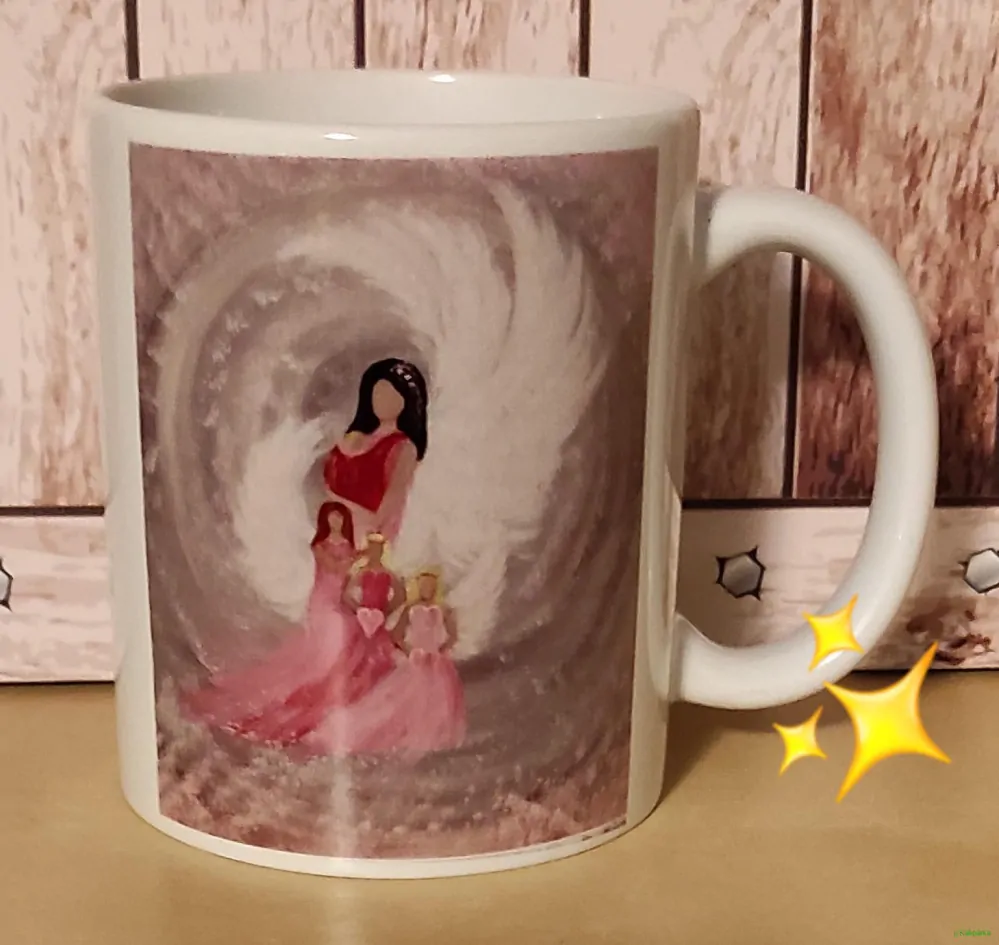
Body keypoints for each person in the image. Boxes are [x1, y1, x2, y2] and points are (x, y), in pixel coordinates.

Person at [180, 503, 398, 746]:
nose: (336, 522)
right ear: (326, 520)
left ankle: (337, 683)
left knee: (353, 629)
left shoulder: (349, 546)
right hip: (322, 602)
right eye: (332, 518)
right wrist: (362, 557)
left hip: (338, 601)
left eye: (339, 518)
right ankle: (320, 680)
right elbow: (336, 567)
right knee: (338, 627)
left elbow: (353, 570)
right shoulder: (320, 546)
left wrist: (368, 554)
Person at [299, 569, 466, 759]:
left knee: (437, 698)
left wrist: (439, 650)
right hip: (416, 658)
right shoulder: (410, 609)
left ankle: (435, 734)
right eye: (423, 585)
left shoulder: (444, 609)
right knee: (408, 698)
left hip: (435, 661)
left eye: (430, 586)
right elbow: (397, 635)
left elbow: (452, 635)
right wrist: (410, 650)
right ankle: (408, 733)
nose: (426, 589)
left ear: (435, 587)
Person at [323, 359, 428, 544]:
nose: (382, 400)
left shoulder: (403, 447)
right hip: (329, 538)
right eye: (378, 392)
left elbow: (391, 513)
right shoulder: (351, 437)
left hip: (366, 542)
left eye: (391, 394)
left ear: (407, 400)